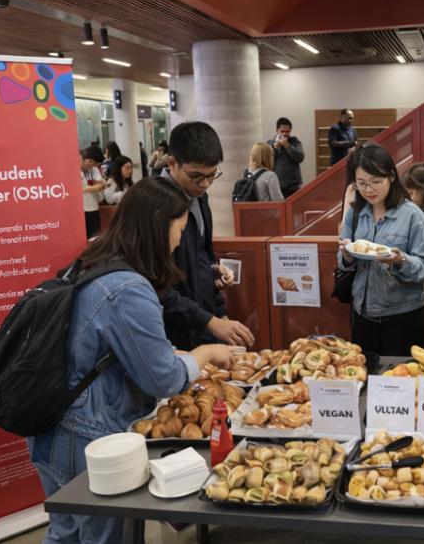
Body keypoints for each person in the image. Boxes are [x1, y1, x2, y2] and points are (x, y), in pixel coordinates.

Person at [27, 177, 235, 543]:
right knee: (107, 536)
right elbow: (164, 381)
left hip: (51, 425)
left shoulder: (94, 259)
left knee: (65, 532)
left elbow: (103, 345)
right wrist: (204, 353)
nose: (178, 241)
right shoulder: (129, 287)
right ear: (158, 226)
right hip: (90, 437)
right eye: (179, 229)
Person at [162, 122, 254, 350]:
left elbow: (201, 254)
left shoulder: (199, 197)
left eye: (212, 176)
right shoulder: (154, 206)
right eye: (196, 176)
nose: (205, 184)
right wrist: (210, 321)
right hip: (171, 335)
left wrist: (213, 271)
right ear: (172, 163)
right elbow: (154, 286)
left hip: (200, 325)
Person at [338, 143, 424, 356]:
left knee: (400, 382)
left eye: (375, 182)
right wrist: (346, 256)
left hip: (403, 317)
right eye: (361, 183)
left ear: (391, 177)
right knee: (368, 377)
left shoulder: (412, 216)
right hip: (362, 313)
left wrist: (400, 260)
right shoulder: (355, 213)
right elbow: (342, 260)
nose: (368, 190)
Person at [267, 117, 306, 197]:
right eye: (282, 131)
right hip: (276, 185)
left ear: (290, 131)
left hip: (293, 185)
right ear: (277, 130)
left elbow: (300, 157)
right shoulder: (270, 143)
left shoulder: (295, 142)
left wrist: (287, 145)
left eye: (287, 131)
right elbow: (267, 161)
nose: (284, 134)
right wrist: (275, 148)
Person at [80, 146, 106, 238]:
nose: (94, 167)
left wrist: (100, 184)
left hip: (94, 209)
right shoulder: (73, 169)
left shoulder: (93, 170)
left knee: (94, 239)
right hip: (80, 211)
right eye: (94, 164)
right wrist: (90, 188)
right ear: (89, 161)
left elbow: (102, 183)